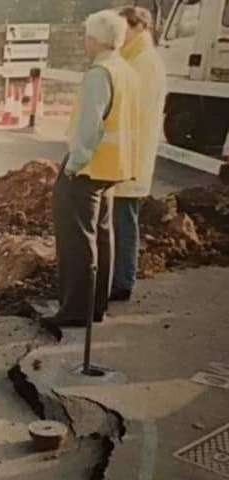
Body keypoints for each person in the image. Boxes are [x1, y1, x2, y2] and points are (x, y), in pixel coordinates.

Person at [44, 10, 140, 328]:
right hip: (114, 166)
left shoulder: (100, 73)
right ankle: (94, 306)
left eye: (86, 35)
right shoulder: (125, 70)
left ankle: (74, 311)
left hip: (88, 167)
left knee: (76, 240)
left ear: (96, 39)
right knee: (101, 235)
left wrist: (72, 166)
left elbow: (89, 128)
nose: (84, 40)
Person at [110, 6, 167, 302]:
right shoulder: (137, 58)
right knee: (121, 220)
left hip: (130, 156)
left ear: (138, 27)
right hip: (127, 155)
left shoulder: (143, 62)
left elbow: (131, 110)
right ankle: (119, 277)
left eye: (124, 29)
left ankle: (123, 281)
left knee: (125, 220)